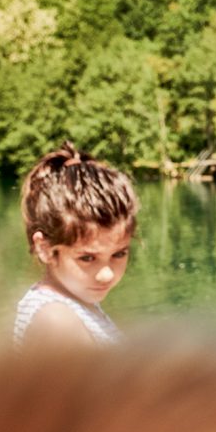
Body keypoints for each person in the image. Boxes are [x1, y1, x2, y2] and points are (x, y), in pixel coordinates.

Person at [13, 141, 138, 347]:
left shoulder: (76, 300)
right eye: (87, 258)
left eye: (118, 254)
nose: (106, 274)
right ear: (44, 248)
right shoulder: (57, 321)